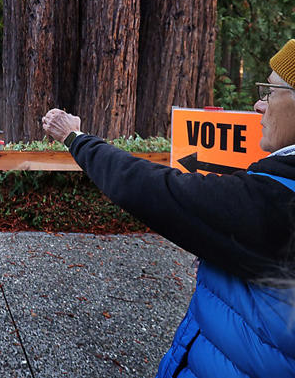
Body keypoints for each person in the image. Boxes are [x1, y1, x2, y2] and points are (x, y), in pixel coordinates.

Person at [42, 39, 295, 378]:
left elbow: (152, 188)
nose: (258, 105)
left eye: (270, 92)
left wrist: (76, 138)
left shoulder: (277, 202)